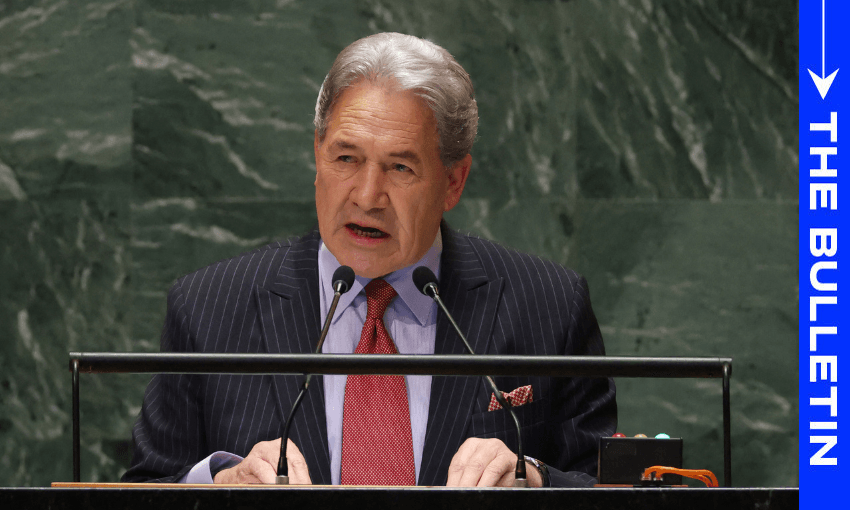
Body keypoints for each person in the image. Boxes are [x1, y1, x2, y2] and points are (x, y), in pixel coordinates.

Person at [122, 32, 616, 487]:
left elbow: (612, 491)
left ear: (453, 182)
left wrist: (535, 480)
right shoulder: (209, 309)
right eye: (346, 158)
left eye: (400, 167)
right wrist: (218, 484)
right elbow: (141, 492)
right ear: (317, 155)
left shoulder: (549, 306)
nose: (367, 195)